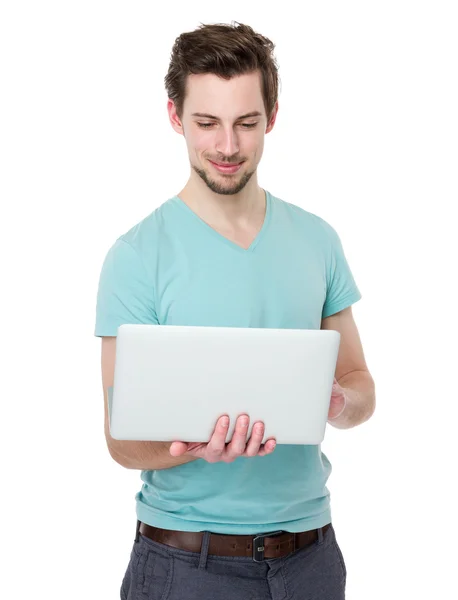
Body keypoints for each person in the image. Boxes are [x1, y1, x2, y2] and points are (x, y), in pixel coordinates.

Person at [94, 21, 376, 600]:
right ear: (175, 116)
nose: (227, 146)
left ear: (271, 117)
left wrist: (338, 401)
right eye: (207, 123)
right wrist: (194, 445)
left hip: (311, 561)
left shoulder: (317, 240)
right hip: (187, 566)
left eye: (247, 124)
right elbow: (122, 442)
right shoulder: (136, 257)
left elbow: (360, 386)